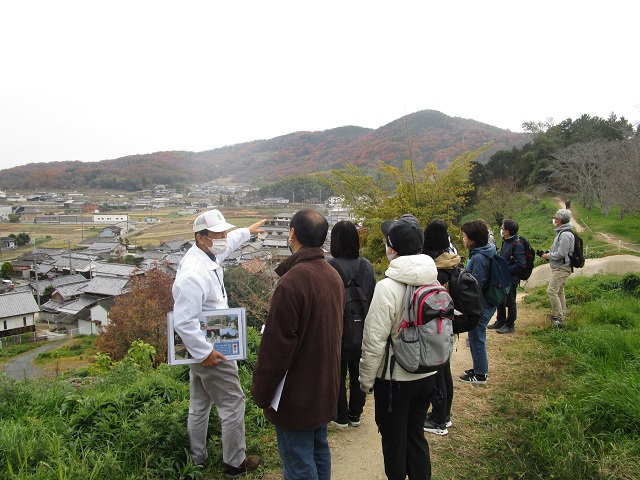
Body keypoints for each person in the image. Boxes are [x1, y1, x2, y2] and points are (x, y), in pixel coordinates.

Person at [251, 209, 345, 480]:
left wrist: (262, 392)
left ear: (292, 233)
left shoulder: (292, 282)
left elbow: (276, 348)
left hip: (296, 393)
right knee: (318, 450)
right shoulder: (332, 275)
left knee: (299, 461)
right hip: (325, 384)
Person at [172, 209, 265, 478]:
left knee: (200, 404)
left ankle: (197, 458)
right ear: (202, 238)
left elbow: (229, 244)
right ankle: (235, 463)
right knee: (233, 403)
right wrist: (205, 353)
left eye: (224, 232)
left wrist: (247, 231)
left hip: (204, 348)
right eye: (218, 234)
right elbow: (184, 321)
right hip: (211, 350)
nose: (224, 237)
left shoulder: (205, 255)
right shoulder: (193, 273)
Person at [359, 214, 438, 480]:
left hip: (395, 380)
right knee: (416, 434)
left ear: (393, 248)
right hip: (427, 374)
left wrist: (365, 381)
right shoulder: (432, 279)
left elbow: (373, 341)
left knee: (394, 441)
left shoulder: (387, 287)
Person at [328, 220, 376, 428]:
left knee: (337, 372)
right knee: (358, 371)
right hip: (362, 329)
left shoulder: (329, 267)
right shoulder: (366, 266)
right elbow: (372, 298)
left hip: (337, 330)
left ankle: (340, 416)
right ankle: (356, 414)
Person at [421, 219, 461, 436]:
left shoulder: (435, 269)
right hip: (449, 325)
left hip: (437, 326)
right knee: (445, 371)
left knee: (437, 373)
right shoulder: (452, 260)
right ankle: (444, 415)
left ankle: (438, 419)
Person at [458, 219, 496, 385]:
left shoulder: (479, 257)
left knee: (476, 338)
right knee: (475, 337)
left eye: (465, 236)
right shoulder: (485, 250)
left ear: (472, 239)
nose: (463, 239)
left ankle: (481, 374)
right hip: (486, 301)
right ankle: (479, 369)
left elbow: (476, 283)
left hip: (482, 303)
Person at [489, 219, 526, 334]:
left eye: (502, 228)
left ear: (507, 231)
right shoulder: (506, 241)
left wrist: (506, 270)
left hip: (511, 278)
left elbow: (521, 264)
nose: (501, 229)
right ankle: (500, 320)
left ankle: (510, 324)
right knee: (500, 299)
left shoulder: (517, 245)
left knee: (510, 301)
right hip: (502, 277)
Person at [541, 209, 574, 326]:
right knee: (559, 291)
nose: (554, 219)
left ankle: (558, 317)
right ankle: (562, 313)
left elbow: (562, 253)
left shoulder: (565, 234)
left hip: (562, 267)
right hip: (561, 266)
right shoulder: (562, 232)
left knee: (551, 291)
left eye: (555, 217)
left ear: (560, 220)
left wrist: (548, 256)